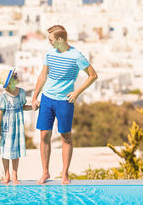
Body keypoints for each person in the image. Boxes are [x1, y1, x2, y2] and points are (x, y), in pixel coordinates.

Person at [32, 25, 98, 185]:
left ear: (60, 40)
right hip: (47, 99)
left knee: (65, 137)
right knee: (43, 136)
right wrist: (35, 96)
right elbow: (43, 75)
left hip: (65, 101)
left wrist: (77, 93)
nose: (49, 43)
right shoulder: (49, 53)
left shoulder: (76, 56)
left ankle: (65, 174)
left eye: (51, 40)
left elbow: (93, 75)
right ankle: (45, 172)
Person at [0, 69, 32, 184]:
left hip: (17, 126)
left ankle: (15, 173)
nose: (17, 78)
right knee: (5, 151)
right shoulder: (3, 97)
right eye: (14, 77)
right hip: (6, 126)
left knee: (15, 151)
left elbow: (23, 106)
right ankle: (7, 174)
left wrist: (33, 106)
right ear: (9, 83)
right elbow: (0, 113)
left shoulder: (22, 92)